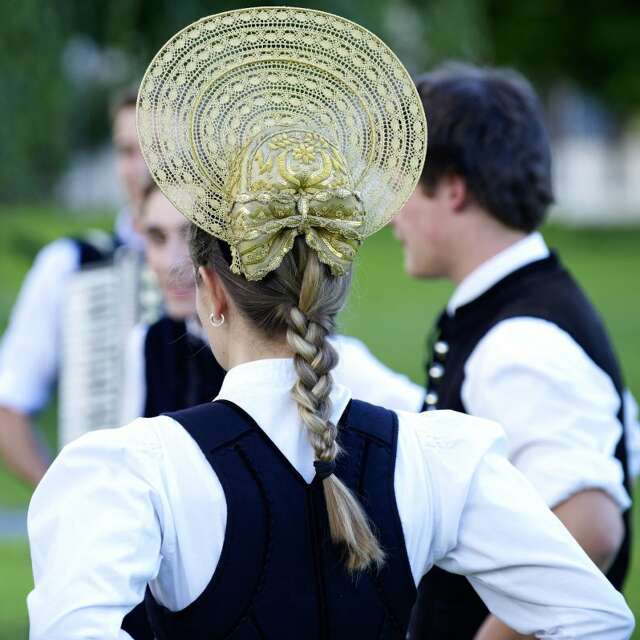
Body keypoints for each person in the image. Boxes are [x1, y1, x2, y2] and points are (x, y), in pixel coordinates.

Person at [27, 9, 634, 639]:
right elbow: (592, 617)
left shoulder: (137, 468)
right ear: (332, 286)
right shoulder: (436, 459)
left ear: (210, 291)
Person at [391, 62, 638, 639]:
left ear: (453, 188)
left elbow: (592, 525)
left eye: (405, 183)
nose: (394, 213)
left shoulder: (520, 343)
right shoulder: (521, 308)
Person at [120, 183, 424, 424]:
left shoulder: (323, 357)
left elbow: (428, 416)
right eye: (156, 238)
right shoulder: (146, 345)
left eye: (187, 237)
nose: (172, 262)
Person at [0, 85, 148, 486]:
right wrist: (69, 502)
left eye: (154, 149)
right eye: (126, 152)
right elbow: (7, 407)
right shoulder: (69, 266)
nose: (139, 170)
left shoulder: (232, 269)